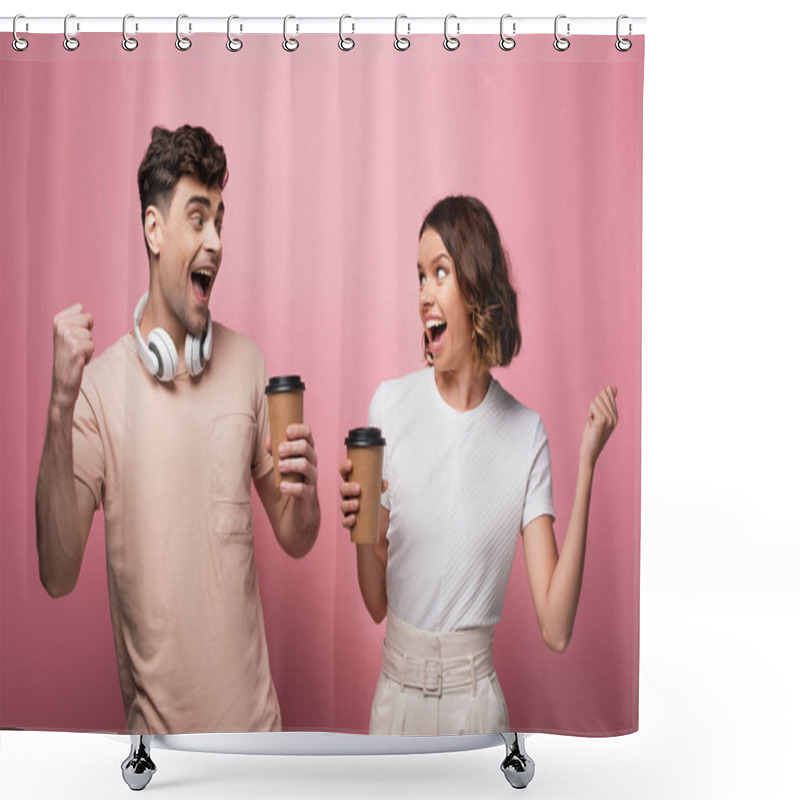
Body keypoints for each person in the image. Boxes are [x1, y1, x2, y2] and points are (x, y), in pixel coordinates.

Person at [35, 125, 321, 735]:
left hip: (262, 745)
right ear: (154, 230)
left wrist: (307, 491)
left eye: (220, 219)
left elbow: (295, 538)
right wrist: (60, 408)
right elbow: (57, 574)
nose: (215, 241)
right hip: (164, 763)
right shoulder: (100, 390)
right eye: (197, 218)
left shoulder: (248, 365)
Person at [339, 195, 618, 736]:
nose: (423, 294)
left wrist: (586, 466)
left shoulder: (524, 433)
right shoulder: (388, 407)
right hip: (394, 699)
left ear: (474, 287)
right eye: (419, 276)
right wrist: (362, 530)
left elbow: (556, 629)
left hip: (475, 711)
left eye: (439, 273)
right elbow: (376, 603)